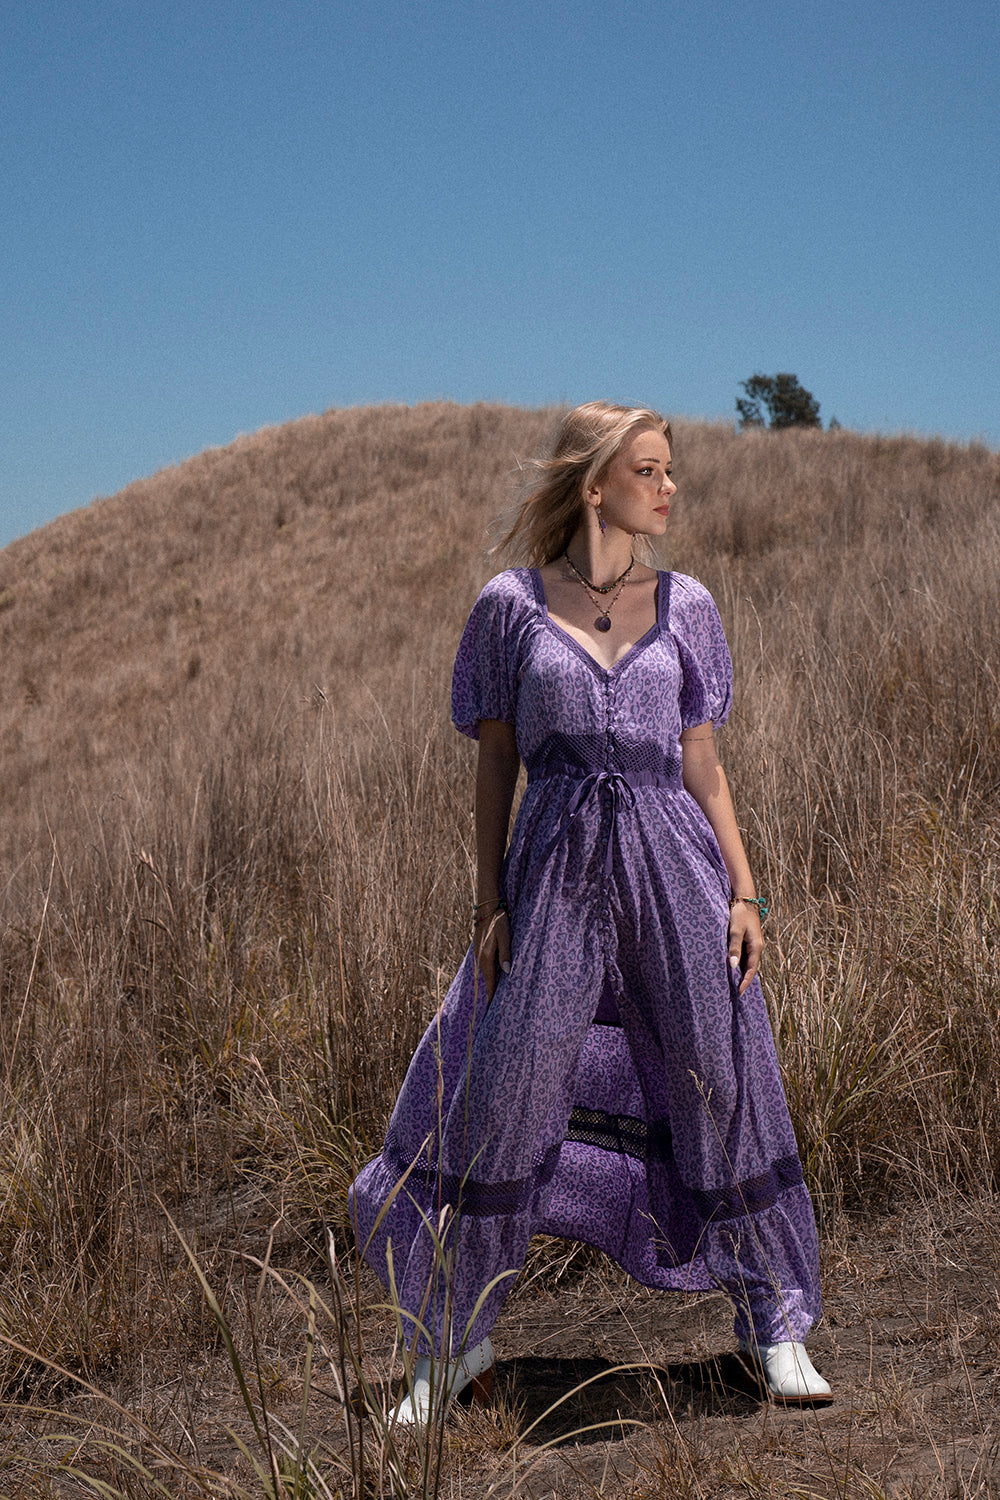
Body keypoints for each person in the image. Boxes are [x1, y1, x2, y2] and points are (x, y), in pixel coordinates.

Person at [349, 401, 831, 1422]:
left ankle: (772, 1322)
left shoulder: (686, 603)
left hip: (674, 863)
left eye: (670, 470)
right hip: (554, 867)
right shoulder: (508, 608)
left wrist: (745, 890)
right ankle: (451, 1346)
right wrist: (487, 901)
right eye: (649, 471)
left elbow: (702, 761)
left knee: (718, 1072)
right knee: (503, 1088)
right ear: (591, 484)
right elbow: (496, 766)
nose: (670, 489)